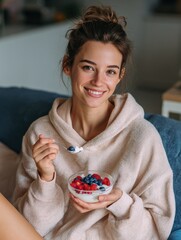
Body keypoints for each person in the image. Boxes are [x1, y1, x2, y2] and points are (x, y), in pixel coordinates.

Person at [12, 5, 175, 240]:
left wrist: (120, 203)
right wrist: (46, 179)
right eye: (88, 67)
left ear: (120, 76)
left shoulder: (142, 137)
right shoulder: (41, 133)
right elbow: (25, 226)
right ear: (67, 66)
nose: (99, 82)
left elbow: (156, 231)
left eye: (110, 72)